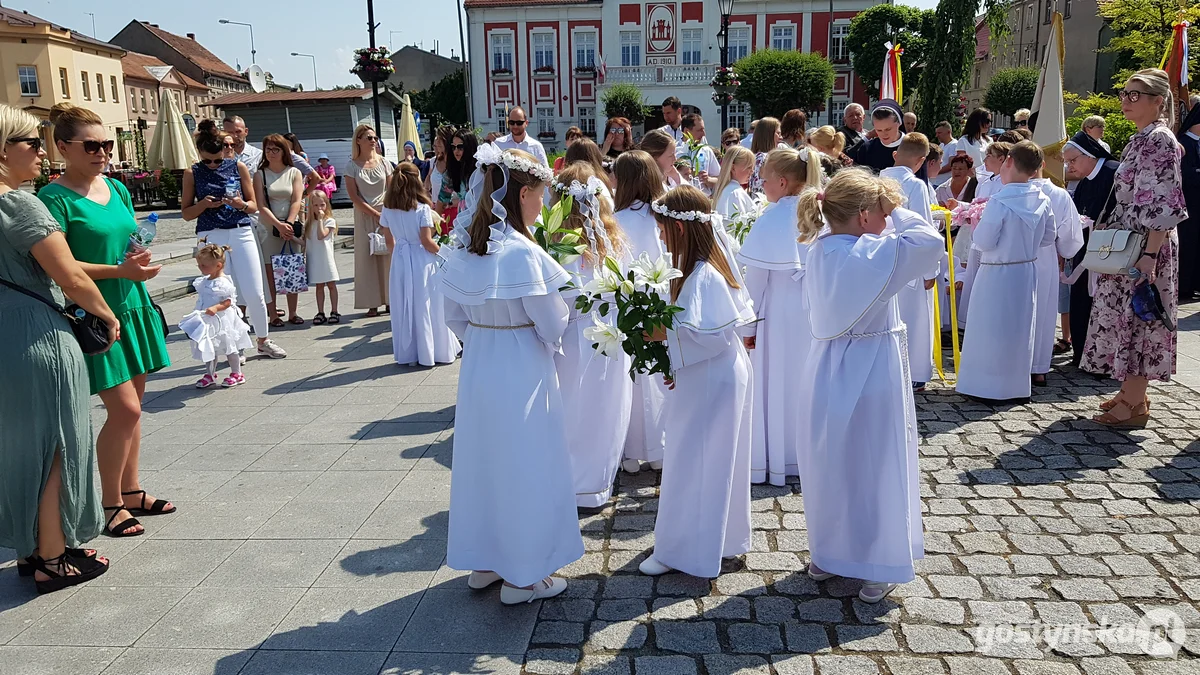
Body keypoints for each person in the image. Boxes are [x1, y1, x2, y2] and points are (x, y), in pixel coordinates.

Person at [437, 146, 582, 604]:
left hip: (480, 365)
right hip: (520, 365)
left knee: (485, 461)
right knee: (525, 462)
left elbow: (452, 315)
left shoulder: (466, 245)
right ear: (520, 195)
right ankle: (523, 578)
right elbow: (552, 321)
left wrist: (483, 335)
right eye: (539, 195)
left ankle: (486, 561)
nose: (543, 204)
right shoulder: (522, 253)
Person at [795, 168, 944, 604]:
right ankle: (880, 561)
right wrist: (899, 208)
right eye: (880, 213)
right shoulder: (873, 253)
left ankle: (829, 551)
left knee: (833, 462)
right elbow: (931, 243)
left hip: (826, 365)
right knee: (878, 460)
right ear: (864, 217)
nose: (886, 220)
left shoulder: (821, 248)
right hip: (872, 365)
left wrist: (882, 206)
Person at [40, 103, 173, 538]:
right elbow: (61, 266)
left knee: (133, 413)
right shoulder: (53, 198)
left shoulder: (115, 187)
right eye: (91, 145)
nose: (102, 152)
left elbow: (125, 240)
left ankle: (131, 490)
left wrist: (136, 259)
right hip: (93, 314)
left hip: (133, 304)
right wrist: (120, 271)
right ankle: (111, 503)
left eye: (107, 144)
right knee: (125, 410)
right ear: (62, 147)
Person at [1, 104, 114, 593]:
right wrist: (106, 315)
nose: (42, 151)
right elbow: (67, 273)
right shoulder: (21, 204)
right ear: (3, 149)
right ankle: (52, 555)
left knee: (21, 444)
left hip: (6, 331)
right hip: (37, 333)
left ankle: (34, 546)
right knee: (56, 443)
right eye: (31, 141)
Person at [639, 185, 755, 578]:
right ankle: (715, 540)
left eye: (663, 229)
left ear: (681, 230)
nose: (659, 236)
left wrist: (657, 336)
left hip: (712, 376)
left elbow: (709, 334)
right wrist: (674, 360)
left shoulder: (704, 275)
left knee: (694, 459)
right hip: (710, 372)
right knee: (711, 459)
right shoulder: (700, 269)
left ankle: (685, 552)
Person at [1082, 69, 1188, 428]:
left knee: (1141, 317)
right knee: (1125, 317)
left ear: (1158, 101)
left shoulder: (1159, 140)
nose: (1126, 100)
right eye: (1125, 93)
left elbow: (1164, 203)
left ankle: (1134, 401)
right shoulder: (1140, 138)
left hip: (1144, 243)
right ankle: (1133, 393)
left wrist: (1150, 255)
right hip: (1128, 239)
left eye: (1135, 95)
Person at [551, 164, 632, 507]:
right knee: (604, 406)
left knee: (574, 406)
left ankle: (574, 481)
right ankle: (597, 480)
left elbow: (558, 298)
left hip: (574, 337)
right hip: (611, 335)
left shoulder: (557, 247)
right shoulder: (613, 242)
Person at [738, 148, 820, 485]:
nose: (762, 185)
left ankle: (775, 459)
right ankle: (807, 454)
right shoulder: (820, 212)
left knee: (776, 382)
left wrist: (746, 325)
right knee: (805, 381)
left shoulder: (771, 218)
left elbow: (755, 282)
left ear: (782, 182)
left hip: (777, 315)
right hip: (813, 312)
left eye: (765, 179)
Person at [956, 141, 1055, 402]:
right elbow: (1048, 238)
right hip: (1025, 271)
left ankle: (985, 385)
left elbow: (984, 241)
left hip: (996, 273)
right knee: (1019, 327)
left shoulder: (999, 202)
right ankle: (1015, 386)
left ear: (1008, 161)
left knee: (990, 327)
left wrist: (975, 224)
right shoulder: (1043, 199)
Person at [181, 124, 287, 359]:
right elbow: (186, 213)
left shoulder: (237, 167)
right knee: (220, 293)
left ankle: (263, 339)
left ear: (224, 153)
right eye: (208, 161)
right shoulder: (192, 173)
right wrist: (204, 204)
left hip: (239, 229)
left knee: (254, 291)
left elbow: (253, 205)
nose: (212, 166)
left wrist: (238, 203)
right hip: (211, 232)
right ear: (200, 153)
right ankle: (231, 346)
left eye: (217, 161)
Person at [611, 151, 669, 473]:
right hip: (658, 301)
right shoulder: (661, 217)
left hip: (627, 305)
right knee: (658, 372)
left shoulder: (616, 219)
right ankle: (658, 446)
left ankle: (632, 450)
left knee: (633, 377)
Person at [380, 163, 458, 367]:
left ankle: (409, 352)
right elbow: (426, 241)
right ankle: (433, 351)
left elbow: (389, 241)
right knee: (426, 304)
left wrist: (398, 257)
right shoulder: (422, 209)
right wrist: (447, 253)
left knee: (404, 305)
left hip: (400, 258)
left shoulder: (387, 208)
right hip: (421, 259)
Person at [881, 133, 941, 391]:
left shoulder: (877, 180)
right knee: (915, 317)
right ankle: (914, 372)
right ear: (922, 161)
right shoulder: (917, 186)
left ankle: (888, 368)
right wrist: (931, 269)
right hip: (910, 258)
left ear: (896, 154)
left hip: (882, 257)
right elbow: (924, 230)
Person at [1062, 132, 1117, 366]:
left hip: (1109, 250)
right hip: (1084, 247)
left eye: (1072, 160)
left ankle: (1102, 357)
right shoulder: (1085, 180)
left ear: (1090, 156)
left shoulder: (1115, 173)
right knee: (1081, 300)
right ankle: (1082, 353)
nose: (1069, 166)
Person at [1030, 163, 1084, 385]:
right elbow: (1071, 237)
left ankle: (1013, 364)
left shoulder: (1003, 191)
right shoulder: (1058, 194)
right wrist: (1063, 251)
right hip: (1045, 258)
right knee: (1043, 311)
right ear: (1042, 164)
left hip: (1008, 259)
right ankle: (1039, 367)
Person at [253, 134, 306, 326]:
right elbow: (261, 204)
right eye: (268, 149)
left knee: (292, 267)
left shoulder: (294, 172)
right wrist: (278, 225)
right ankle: (273, 313)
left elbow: (297, 200)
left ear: (284, 151)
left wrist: (289, 224)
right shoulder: (260, 174)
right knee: (269, 273)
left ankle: (293, 312)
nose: (272, 153)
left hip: (290, 225)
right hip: (269, 226)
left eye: (276, 149)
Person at [185, 242, 254, 388]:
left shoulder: (223, 283)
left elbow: (228, 301)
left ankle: (237, 373)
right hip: (207, 320)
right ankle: (210, 373)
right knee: (208, 348)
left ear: (218, 265)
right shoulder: (203, 281)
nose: (200, 268)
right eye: (199, 265)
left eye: (204, 265)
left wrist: (216, 307)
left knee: (230, 347)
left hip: (223, 321)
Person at [346, 123, 393, 317]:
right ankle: (371, 303)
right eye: (368, 138)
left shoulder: (384, 162)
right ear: (358, 140)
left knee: (388, 258)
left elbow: (392, 189)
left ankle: (391, 300)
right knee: (368, 259)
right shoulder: (352, 166)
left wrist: (386, 213)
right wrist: (374, 214)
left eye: (374, 138)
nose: (373, 141)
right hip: (365, 215)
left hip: (386, 213)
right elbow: (354, 196)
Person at [1175, 102, 1200, 302]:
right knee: (1188, 244)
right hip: (1189, 204)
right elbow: (1185, 175)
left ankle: (1194, 284)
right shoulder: (1184, 143)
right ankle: (1183, 286)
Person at [305, 190, 341, 325]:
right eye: (316, 205)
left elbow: (321, 235)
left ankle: (334, 310)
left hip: (326, 258)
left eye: (322, 205)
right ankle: (320, 311)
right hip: (315, 259)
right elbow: (307, 241)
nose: (319, 208)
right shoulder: (309, 224)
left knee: (331, 284)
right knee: (319, 286)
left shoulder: (329, 221)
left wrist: (320, 219)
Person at [847, 101, 904, 173]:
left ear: (899, 123)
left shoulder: (913, 147)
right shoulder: (866, 149)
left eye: (888, 129)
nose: (884, 134)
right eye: (879, 130)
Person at [712, 145, 757, 224]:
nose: (752, 171)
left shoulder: (726, 189)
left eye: (752, 168)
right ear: (733, 168)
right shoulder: (735, 193)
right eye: (748, 167)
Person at [679, 113, 720, 193]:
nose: (704, 134)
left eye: (703, 129)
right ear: (687, 131)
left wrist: (708, 179)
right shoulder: (676, 152)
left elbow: (719, 179)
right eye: (699, 130)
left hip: (704, 200)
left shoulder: (706, 151)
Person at [748, 116, 783, 195]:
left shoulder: (755, 156)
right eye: (778, 133)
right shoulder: (765, 158)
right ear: (769, 135)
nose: (781, 137)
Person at [427, 126, 454, 218]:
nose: (436, 142)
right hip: (435, 208)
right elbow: (427, 185)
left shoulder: (457, 163)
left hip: (452, 210)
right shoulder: (434, 161)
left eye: (440, 139)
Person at [932, 121, 958, 186]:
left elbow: (951, 165)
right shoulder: (941, 145)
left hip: (944, 183)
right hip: (935, 182)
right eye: (936, 133)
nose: (937, 135)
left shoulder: (954, 145)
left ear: (948, 132)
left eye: (939, 133)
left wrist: (935, 172)